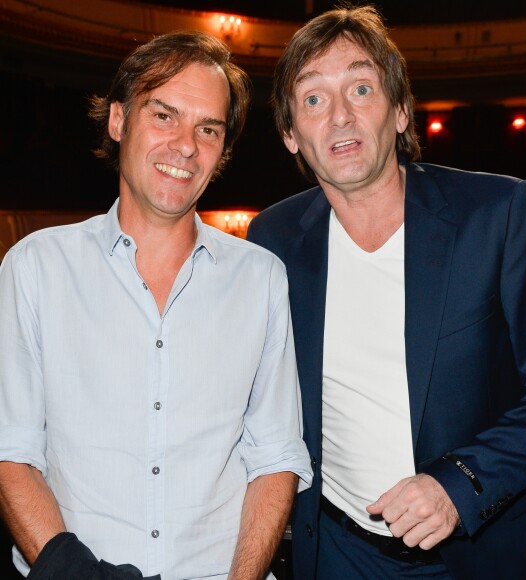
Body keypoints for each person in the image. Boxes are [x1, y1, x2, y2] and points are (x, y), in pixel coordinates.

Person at [246, 4, 526, 579]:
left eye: (361, 88)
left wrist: (461, 484)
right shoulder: (272, 239)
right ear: (290, 135)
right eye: (314, 98)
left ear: (400, 112)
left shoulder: (497, 213)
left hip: (485, 551)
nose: (340, 117)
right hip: (337, 553)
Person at [0, 31, 312, 579]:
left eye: (207, 128)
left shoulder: (261, 278)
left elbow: (276, 457)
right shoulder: (35, 267)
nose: (186, 145)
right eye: (164, 115)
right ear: (119, 120)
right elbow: (11, 451)